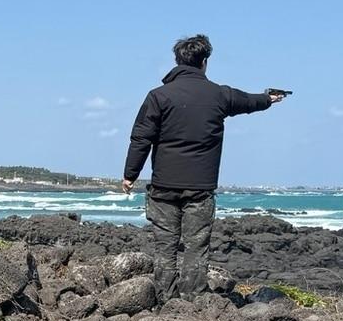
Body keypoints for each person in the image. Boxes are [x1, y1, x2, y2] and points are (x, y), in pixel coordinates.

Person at [122, 34, 287, 300]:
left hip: (164, 185)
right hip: (200, 188)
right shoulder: (219, 95)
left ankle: (166, 302)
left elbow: (141, 137)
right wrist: (270, 99)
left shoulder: (158, 96)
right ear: (205, 62)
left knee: (165, 248)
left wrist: (130, 175)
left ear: (177, 60)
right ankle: (193, 303)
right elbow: (249, 101)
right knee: (196, 248)